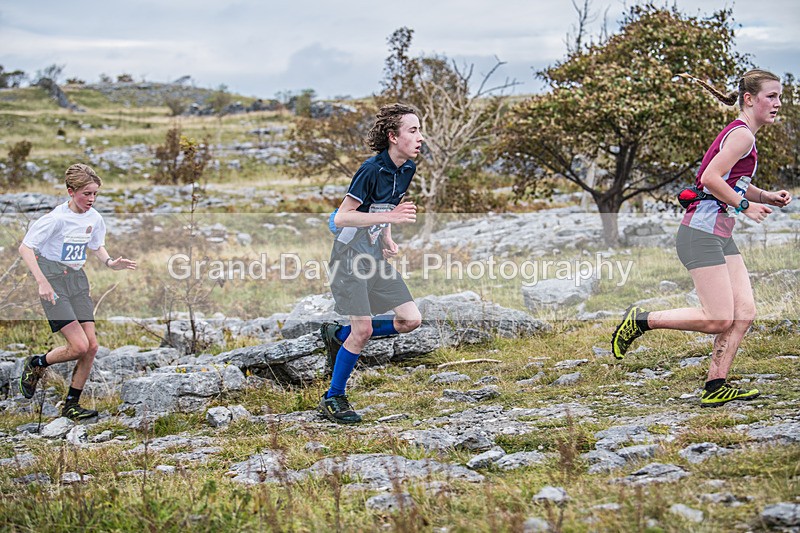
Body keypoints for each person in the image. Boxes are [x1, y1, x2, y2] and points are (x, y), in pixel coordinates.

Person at [611, 69, 792, 407]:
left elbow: (731, 180)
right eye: (771, 96)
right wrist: (745, 206)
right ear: (749, 99)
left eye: (779, 96)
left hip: (718, 234)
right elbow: (710, 178)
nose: (778, 103)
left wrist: (765, 196)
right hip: (700, 234)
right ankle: (641, 320)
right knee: (718, 318)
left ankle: (715, 385)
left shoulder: (742, 134)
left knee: (744, 312)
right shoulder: (742, 136)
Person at [318, 103, 424, 424]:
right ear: (393, 136)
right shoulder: (370, 169)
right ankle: (333, 397)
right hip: (349, 259)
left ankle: (339, 335)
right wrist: (391, 216)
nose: (420, 137)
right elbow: (341, 217)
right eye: (413, 130)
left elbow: (384, 206)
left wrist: (386, 235)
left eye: (419, 130)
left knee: (410, 320)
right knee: (362, 331)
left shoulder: (406, 168)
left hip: (374, 257)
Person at [18, 163, 137, 419]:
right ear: (71, 192)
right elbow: (25, 248)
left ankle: (71, 404)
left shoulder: (94, 218)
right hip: (53, 281)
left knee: (91, 347)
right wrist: (42, 282)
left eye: (95, 194)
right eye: (86, 194)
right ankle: (36, 363)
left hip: (77, 281)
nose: (91, 199)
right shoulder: (55, 219)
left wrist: (110, 262)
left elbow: (96, 245)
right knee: (79, 346)